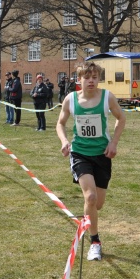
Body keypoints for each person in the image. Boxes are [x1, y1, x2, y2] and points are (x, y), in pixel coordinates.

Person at [56, 61, 126, 262]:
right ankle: (95, 242)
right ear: (79, 80)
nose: (91, 81)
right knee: (91, 198)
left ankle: (89, 218)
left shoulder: (107, 98)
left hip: (102, 155)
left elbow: (121, 119)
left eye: (95, 77)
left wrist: (113, 142)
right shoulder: (70, 99)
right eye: (87, 77)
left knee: (98, 204)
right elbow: (60, 123)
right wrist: (64, 141)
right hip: (80, 154)